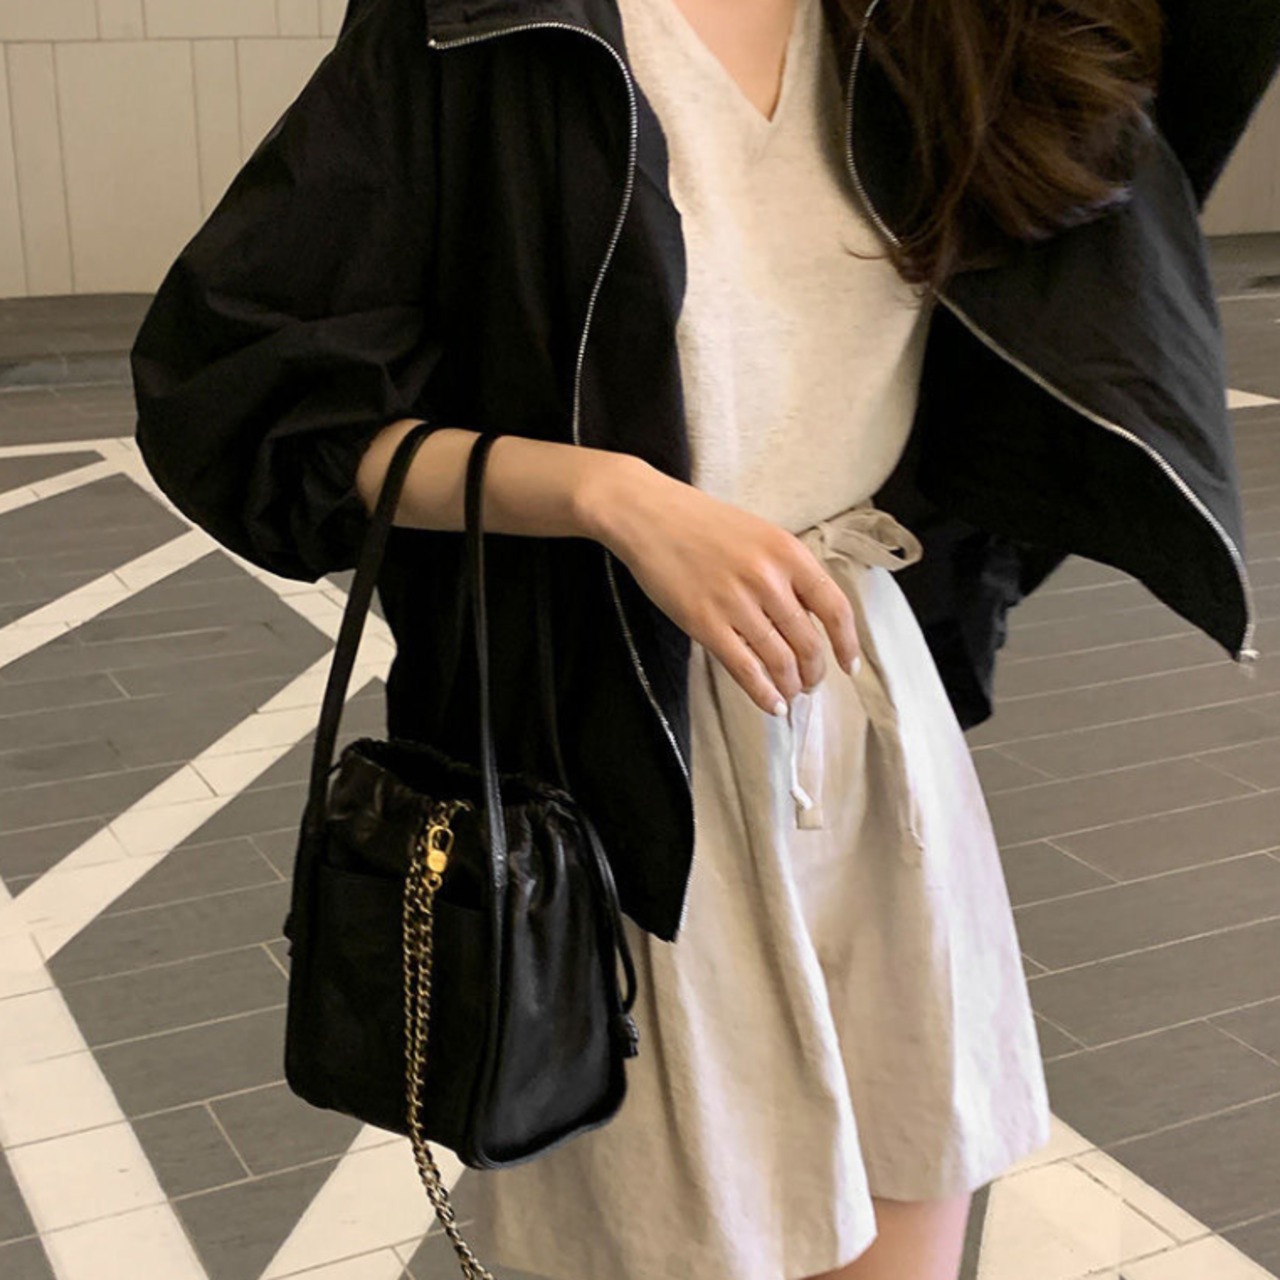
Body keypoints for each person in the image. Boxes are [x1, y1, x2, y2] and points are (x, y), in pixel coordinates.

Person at [131, 0, 1280, 1276]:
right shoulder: (485, 26)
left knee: (911, 1204)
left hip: (863, 701)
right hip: (614, 747)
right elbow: (244, 403)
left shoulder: (949, 24)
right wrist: (608, 497)